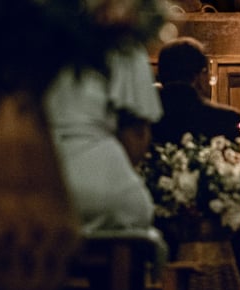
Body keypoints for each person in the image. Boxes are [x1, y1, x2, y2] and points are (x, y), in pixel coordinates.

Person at [150, 36, 240, 290]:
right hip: (216, 250)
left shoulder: (146, 118)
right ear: (200, 76)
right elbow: (235, 188)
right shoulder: (224, 119)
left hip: (155, 253)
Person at [45, 43, 162, 234]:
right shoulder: (125, 46)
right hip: (107, 187)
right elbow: (136, 135)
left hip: (38, 180)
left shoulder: (34, 42)